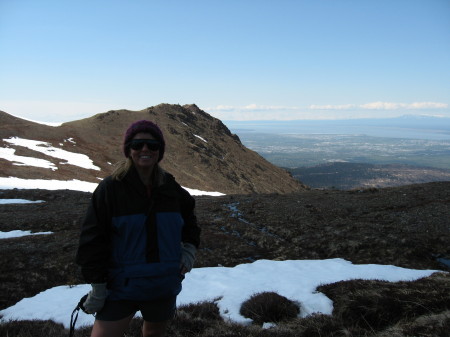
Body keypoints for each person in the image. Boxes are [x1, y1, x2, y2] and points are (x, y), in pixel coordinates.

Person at [76, 120, 201, 337]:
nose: (145, 149)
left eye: (152, 145)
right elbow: (92, 240)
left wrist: (189, 250)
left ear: (159, 151)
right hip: (120, 286)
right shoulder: (110, 189)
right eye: (137, 144)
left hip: (163, 285)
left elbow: (190, 221)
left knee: (154, 333)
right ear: (128, 150)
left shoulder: (171, 188)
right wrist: (98, 287)